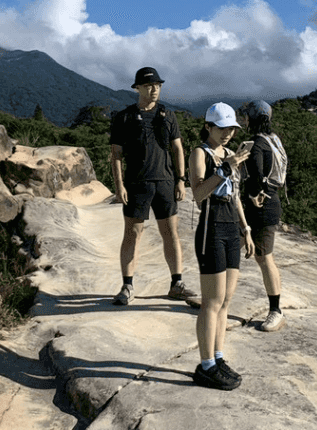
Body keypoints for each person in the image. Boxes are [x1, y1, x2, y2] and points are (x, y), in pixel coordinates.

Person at [109, 66, 198, 307]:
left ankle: (177, 284)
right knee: (132, 233)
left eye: (157, 85)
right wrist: (119, 186)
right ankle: (127, 285)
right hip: (136, 183)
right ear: (137, 88)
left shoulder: (168, 115)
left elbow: (178, 148)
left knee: (171, 233)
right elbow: (116, 154)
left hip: (165, 182)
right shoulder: (124, 117)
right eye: (148, 86)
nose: (154, 89)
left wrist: (181, 180)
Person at [188, 103, 254, 390]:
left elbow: (235, 195)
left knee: (226, 300)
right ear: (208, 127)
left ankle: (217, 357)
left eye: (232, 129)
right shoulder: (200, 153)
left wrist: (245, 228)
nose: (228, 133)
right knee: (212, 302)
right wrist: (225, 169)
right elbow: (198, 194)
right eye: (222, 128)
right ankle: (206, 366)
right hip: (211, 225)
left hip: (230, 225)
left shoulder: (229, 154)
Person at [238, 100, 286, 331]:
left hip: (260, 206)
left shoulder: (257, 144)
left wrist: (251, 195)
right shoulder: (273, 139)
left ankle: (276, 311)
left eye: (246, 116)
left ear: (253, 118)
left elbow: (255, 175)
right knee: (238, 251)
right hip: (271, 202)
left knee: (264, 258)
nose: (244, 120)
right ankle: (214, 298)